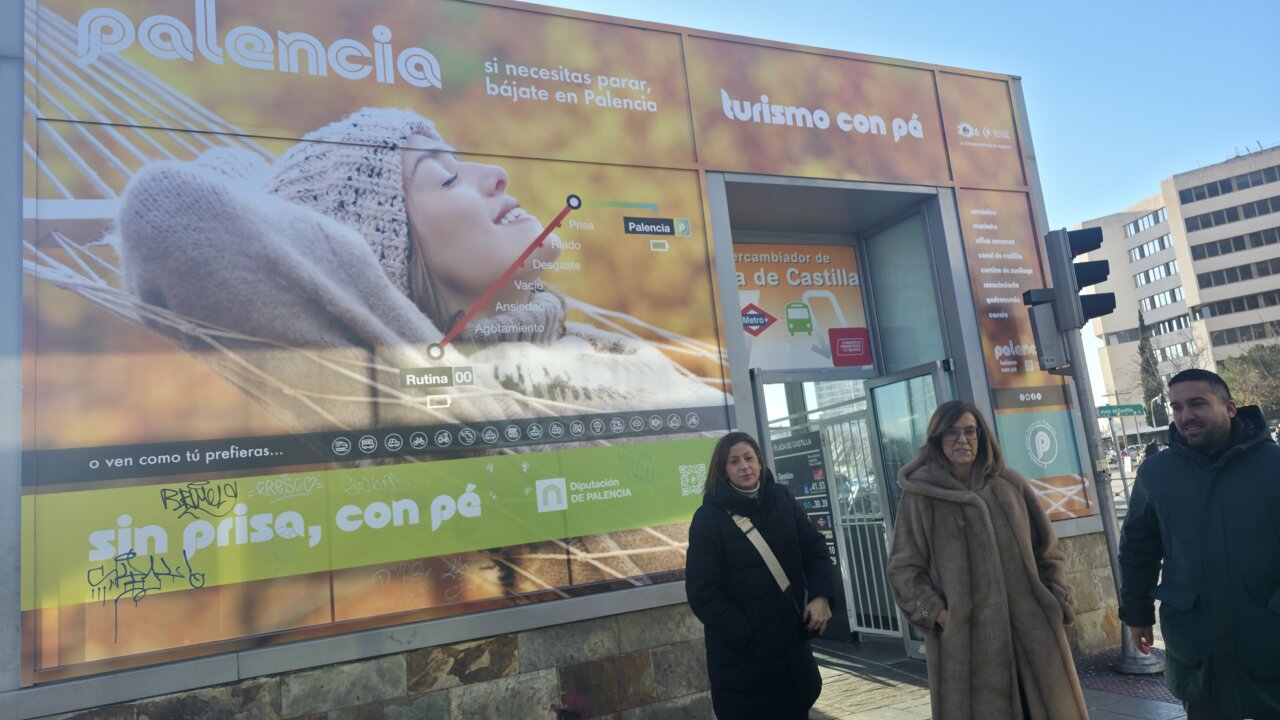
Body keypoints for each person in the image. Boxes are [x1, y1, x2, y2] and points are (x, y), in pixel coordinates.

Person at [116, 107, 724, 432]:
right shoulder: (469, 403)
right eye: (447, 178)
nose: (496, 176)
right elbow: (173, 209)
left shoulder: (595, 349)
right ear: (374, 266)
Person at [887, 400, 1086, 720]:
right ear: (937, 439)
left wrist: (1058, 599)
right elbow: (903, 570)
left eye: (969, 431)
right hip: (969, 651)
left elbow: (1047, 551)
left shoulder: (1010, 485)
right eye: (951, 433)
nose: (962, 440)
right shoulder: (920, 496)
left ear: (981, 436)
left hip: (1034, 639)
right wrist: (937, 615)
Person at [1119, 369, 1280, 720]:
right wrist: (1136, 612)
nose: (1184, 416)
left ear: (1231, 408)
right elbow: (1138, 549)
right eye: (1176, 407)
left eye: (1197, 404)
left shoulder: (1274, 465)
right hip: (1197, 646)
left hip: (1269, 638)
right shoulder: (1156, 473)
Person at [685, 431, 833, 720]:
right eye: (734, 461)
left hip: (792, 658)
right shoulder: (708, 519)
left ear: (760, 463)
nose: (745, 466)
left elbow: (815, 549)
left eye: (750, 458)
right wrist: (749, 634)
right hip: (744, 667)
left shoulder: (782, 498)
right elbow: (702, 593)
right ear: (723, 470)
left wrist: (821, 595)